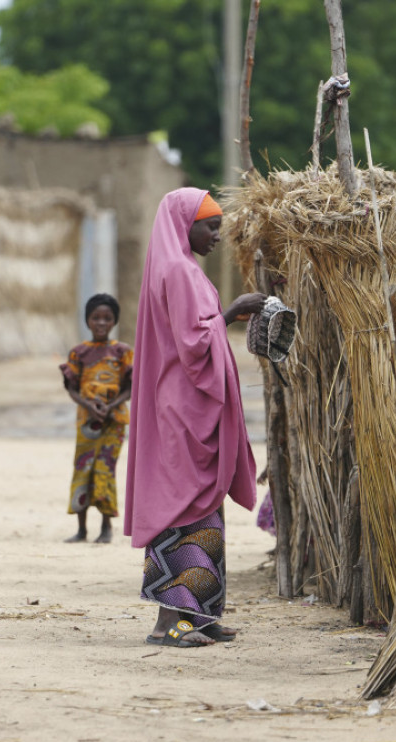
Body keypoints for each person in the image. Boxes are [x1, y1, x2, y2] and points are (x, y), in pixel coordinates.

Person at [125, 188, 265, 648]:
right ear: (186, 225)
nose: (218, 236)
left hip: (186, 407)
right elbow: (194, 344)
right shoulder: (180, 272)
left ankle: (198, 616)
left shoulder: (179, 270)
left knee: (200, 508)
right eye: (211, 226)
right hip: (183, 410)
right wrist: (234, 311)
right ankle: (169, 624)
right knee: (184, 509)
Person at [60, 293, 133, 544]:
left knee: (105, 469)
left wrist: (111, 405)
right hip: (86, 423)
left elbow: (131, 387)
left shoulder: (123, 352)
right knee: (83, 469)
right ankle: (81, 530)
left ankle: (106, 528)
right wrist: (89, 406)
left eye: (107, 318)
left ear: (114, 322)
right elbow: (71, 387)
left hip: (114, 422)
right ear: (87, 321)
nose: (101, 323)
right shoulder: (78, 353)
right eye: (96, 318)